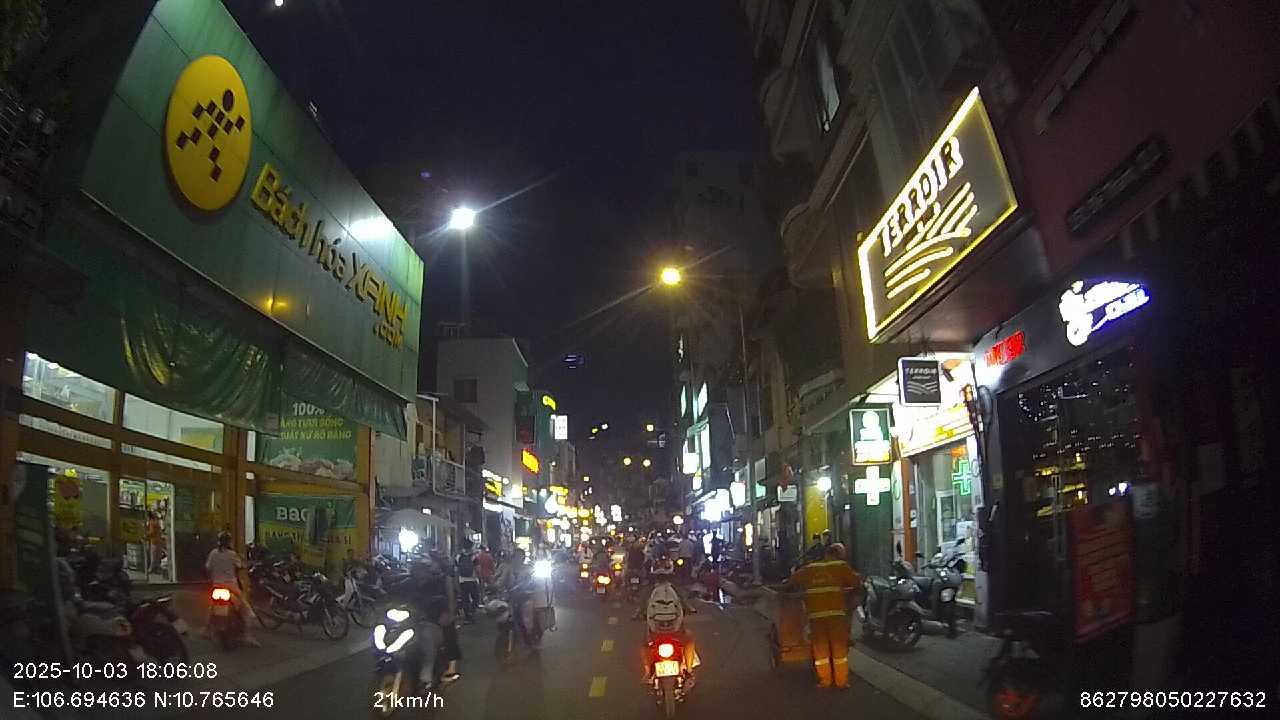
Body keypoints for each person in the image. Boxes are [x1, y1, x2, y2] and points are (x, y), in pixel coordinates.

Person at [786, 543, 861, 689]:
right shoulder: (841, 567)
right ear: (838, 555)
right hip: (836, 616)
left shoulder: (810, 569)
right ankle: (841, 682)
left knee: (821, 651)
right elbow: (856, 582)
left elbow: (792, 581)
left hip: (816, 616)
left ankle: (825, 681)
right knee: (839, 651)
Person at [203, 531, 260, 647]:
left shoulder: (213, 553)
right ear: (229, 542)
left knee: (212, 607)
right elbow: (240, 566)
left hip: (216, 585)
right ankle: (247, 636)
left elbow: (208, 568)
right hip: (231, 586)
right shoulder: (232, 554)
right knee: (246, 610)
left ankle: (206, 630)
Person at [455, 540, 480, 622]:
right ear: (471, 546)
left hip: (462, 581)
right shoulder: (474, 557)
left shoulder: (458, 556)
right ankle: (472, 613)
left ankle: (467, 616)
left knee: (465, 599)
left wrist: (456, 582)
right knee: (476, 598)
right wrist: (480, 579)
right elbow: (478, 569)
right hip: (472, 580)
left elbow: (456, 570)